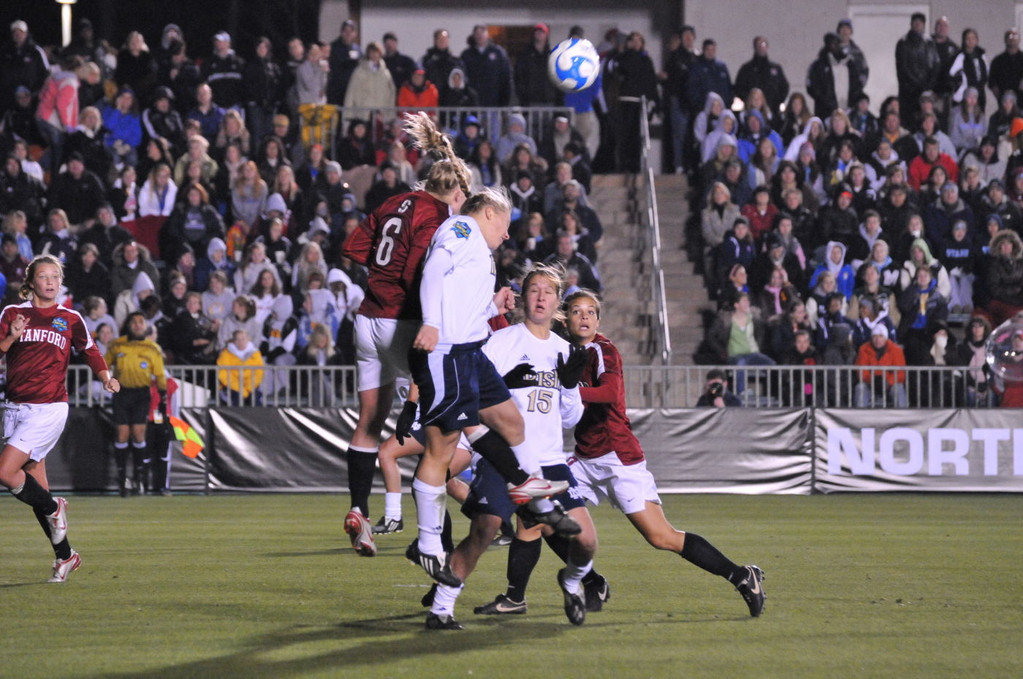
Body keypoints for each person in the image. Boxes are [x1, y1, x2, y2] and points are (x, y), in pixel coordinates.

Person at [552, 289, 765, 616]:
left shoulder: (603, 350)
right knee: (545, 518)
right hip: (583, 458)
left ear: (598, 319)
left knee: (661, 537)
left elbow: (609, 391)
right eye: (577, 311)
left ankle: (741, 575)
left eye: (590, 312)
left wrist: (571, 390)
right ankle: (593, 581)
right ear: (565, 317)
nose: (584, 317)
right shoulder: (562, 349)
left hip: (617, 457)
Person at [406, 187, 579, 588]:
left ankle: (539, 499)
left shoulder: (479, 253)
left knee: (511, 422)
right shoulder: (463, 230)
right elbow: (433, 271)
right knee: (441, 448)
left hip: (469, 351)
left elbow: (462, 304)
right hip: (447, 351)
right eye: (504, 223)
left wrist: (492, 306)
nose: (505, 235)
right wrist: (430, 321)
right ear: (487, 213)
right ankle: (430, 544)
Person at [424, 264, 595, 629]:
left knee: (587, 542)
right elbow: (475, 395)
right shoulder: (502, 343)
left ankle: (572, 579)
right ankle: (441, 608)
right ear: (522, 298)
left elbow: (571, 418)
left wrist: (568, 384)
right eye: (534, 289)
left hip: (549, 461)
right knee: (484, 529)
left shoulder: (565, 350)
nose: (540, 297)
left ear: (557, 303)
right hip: (504, 459)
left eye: (548, 291)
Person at [338, 113, 470, 555]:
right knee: (437, 431)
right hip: (402, 321)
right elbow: (421, 269)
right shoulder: (436, 215)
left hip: (367, 318)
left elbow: (353, 248)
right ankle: (438, 540)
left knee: (368, 422)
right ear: (454, 192)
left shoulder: (393, 202)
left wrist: (381, 275)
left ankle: (360, 509)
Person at [0, 255, 119, 583]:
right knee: (35, 488)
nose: (50, 282)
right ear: (31, 282)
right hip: (14, 409)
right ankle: (66, 556)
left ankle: (55, 507)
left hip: (49, 408)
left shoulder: (69, 318)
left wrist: (106, 377)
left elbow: (91, 350)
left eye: (55, 276)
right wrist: (10, 336)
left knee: (5, 472)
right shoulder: (12, 314)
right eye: (43, 276)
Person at [105, 311, 168, 496]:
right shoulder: (117, 344)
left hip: (141, 394)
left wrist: (163, 395)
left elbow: (160, 374)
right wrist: (107, 380)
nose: (138, 325)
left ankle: (140, 477)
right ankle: (122, 478)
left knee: (139, 434)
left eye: (141, 322)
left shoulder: (152, 348)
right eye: (134, 322)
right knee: (122, 434)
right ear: (128, 325)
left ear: (146, 326)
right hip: (122, 393)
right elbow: (103, 364)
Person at [896, 13, 941, 126]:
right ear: (911, 24)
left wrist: (929, 85)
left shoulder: (929, 43)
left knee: (925, 120)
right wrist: (917, 84)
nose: (917, 25)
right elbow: (902, 68)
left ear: (924, 25)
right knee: (909, 121)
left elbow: (935, 65)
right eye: (915, 22)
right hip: (908, 92)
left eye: (920, 23)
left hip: (925, 91)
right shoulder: (903, 43)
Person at [854, 325, 908, 407]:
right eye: (874, 336)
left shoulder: (896, 350)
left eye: (881, 336)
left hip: (889, 384)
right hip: (870, 383)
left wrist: (888, 382)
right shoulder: (863, 349)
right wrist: (872, 380)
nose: (877, 339)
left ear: (886, 338)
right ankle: (858, 416)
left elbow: (900, 373)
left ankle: (903, 416)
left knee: (898, 388)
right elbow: (861, 371)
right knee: (860, 388)